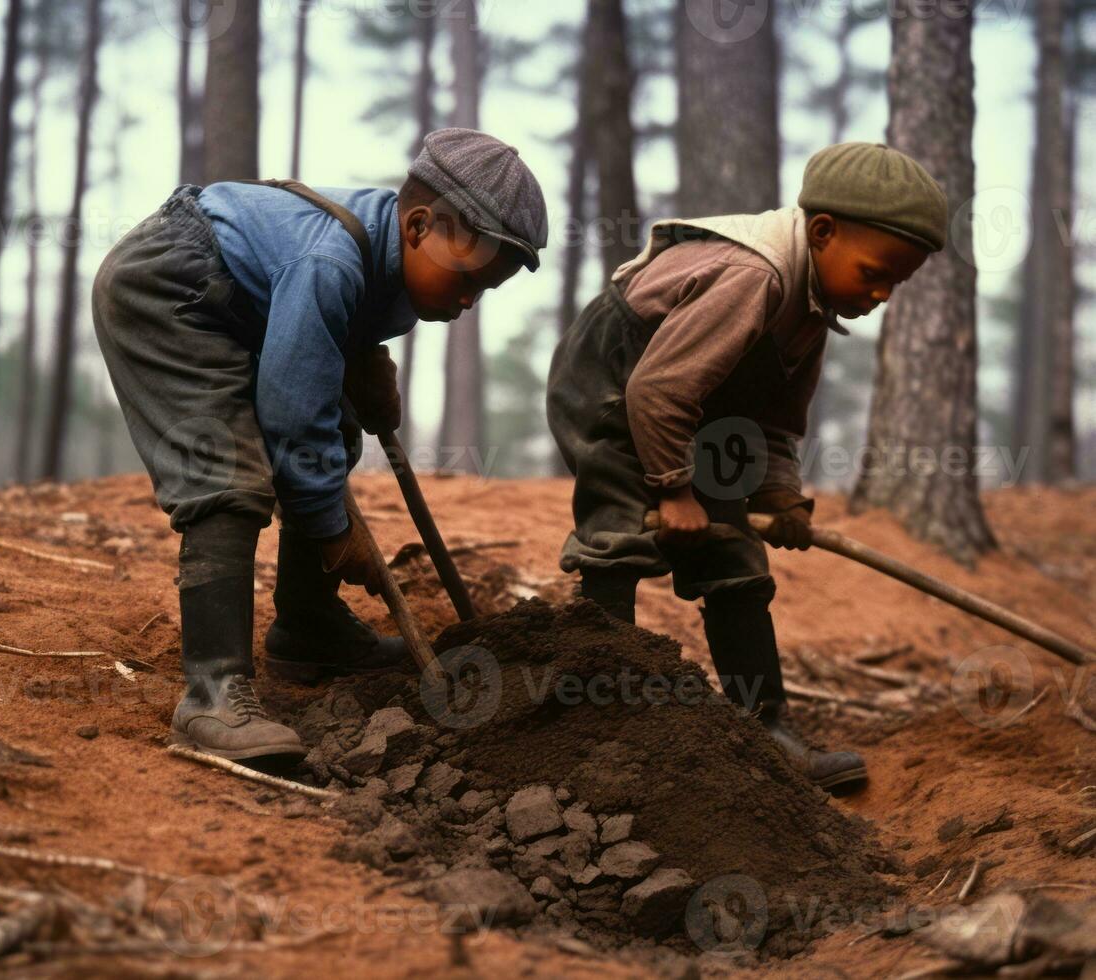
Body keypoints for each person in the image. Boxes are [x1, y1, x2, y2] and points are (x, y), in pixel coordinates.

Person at [93, 129, 548, 761]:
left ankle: (307, 627)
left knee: (333, 430)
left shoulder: (384, 256)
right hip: (171, 288)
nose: (471, 299)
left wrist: (365, 360)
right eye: (468, 279)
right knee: (229, 475)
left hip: (238, 299)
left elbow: (321, 359)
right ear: (418, 227)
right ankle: (212, 698)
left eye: (485, 290)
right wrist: (335, 532)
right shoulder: (330, 263)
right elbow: (290, 409)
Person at [547, 142, 948, 795]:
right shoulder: (751, 276)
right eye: (875, 271)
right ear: (822, 232)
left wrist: (781, 498)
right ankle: (595, 717)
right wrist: (673, 490)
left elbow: (771, 423)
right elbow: (656, 393)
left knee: (733, 555)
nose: (880, 294)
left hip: (699, 407)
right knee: (623, 532)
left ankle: (765, 724)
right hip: (617, 384)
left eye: (894, 284)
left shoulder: (809, 312)